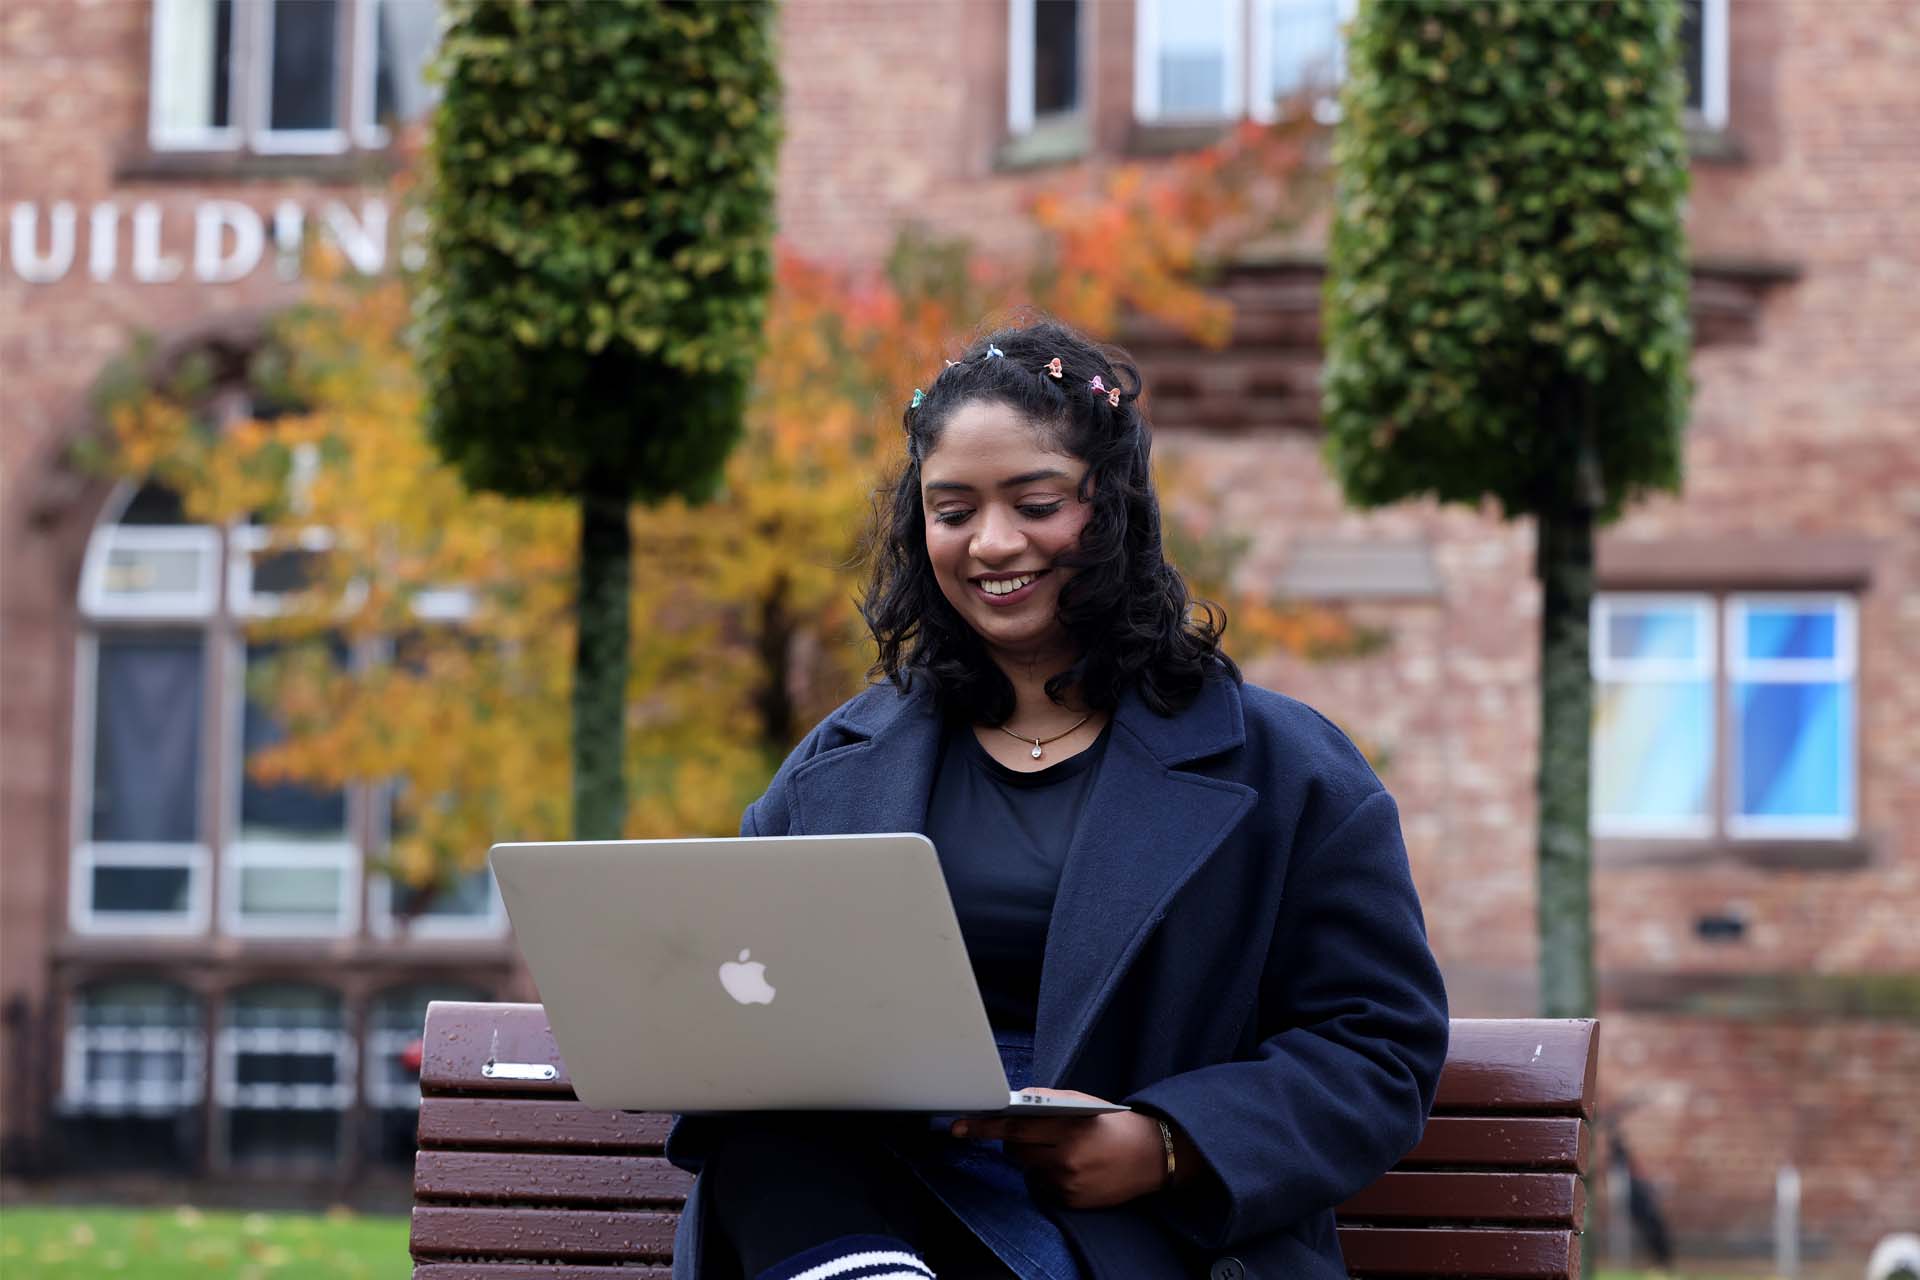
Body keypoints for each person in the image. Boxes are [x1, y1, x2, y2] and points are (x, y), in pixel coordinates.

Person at [666, 320, 1450, 1280]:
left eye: (1035, 503)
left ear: (1110, 508)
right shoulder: (837, 763)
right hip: (859, 1195)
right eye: (952, 511)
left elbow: (1378, 1045)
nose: (993, 543)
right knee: (763, 1149)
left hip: (1133, 1232)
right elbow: (746, 1000)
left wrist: (1168, 1145)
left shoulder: (1286, 768)